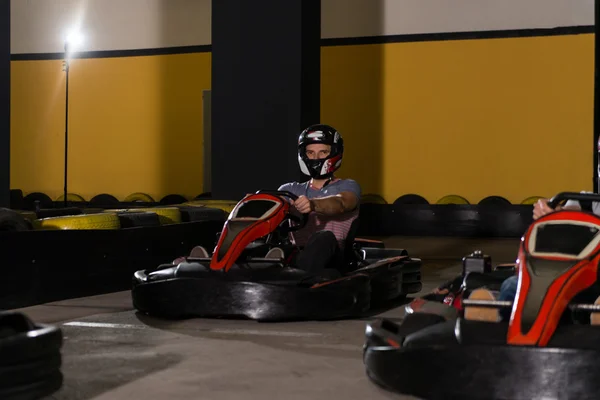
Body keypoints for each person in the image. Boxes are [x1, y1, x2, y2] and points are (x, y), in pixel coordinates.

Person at [465, 195, 600, 322]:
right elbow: (568, 210)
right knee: (512, 285)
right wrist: (551, 211)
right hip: (564, 275)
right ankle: (497, 325)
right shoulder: (585, 200)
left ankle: (595, 323)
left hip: (594, 282)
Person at [274, 124, 362, 275]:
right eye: (310, 152)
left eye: (323, 152)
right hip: (297, 254)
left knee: (323, 237)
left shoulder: (347, 186)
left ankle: (296, 280)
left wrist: (313, 204)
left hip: (334, 258)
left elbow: (342, 203)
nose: (315, 158)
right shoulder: (289, 190)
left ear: (334, 153)